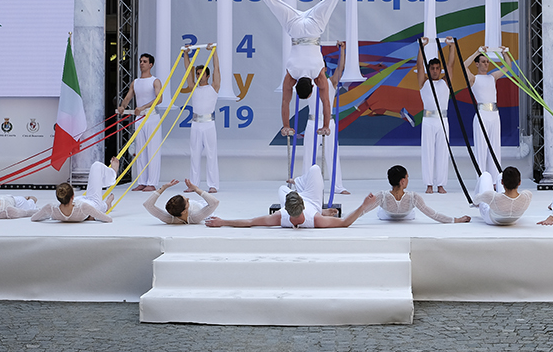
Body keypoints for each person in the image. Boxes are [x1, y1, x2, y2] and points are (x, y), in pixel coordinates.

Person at [221, 0, 377, 138]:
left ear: (312, 88)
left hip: (314, 28)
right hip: (294, 28)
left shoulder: (319, 77)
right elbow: (285, 103)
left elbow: (327, 104)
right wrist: (285, 126)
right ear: (296, 86)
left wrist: (326, 126)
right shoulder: (291, 77)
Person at [206, 162, 378, 229]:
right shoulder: (314, 220)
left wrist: (223, 221)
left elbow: (251, 222)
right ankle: (299, 184)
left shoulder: (281, 217)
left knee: (284, 187)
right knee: (313, 170)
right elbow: (344, 223)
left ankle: (298, 182)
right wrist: (363, 206)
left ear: (285, 209)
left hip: (306, 198)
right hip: (313, 201)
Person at [299, 41, 348, 194]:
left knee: (332, 155)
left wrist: (342, 50)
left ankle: (337, 186)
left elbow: (341, 69)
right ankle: (306, 185)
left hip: (329, 123)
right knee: (308, 155)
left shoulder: (330, 82)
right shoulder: (308, 83)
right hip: (312, 122)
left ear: (325, 68)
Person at [116, 53, 162, 191]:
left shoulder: (155, 81)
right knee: (140, 151)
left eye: (145, 61)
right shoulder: (135, 82)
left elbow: (159, 99)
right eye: (140, 61)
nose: (141, 63)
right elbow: (127, 97)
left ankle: (152, 183)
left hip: (152, 117)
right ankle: (141, 181)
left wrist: (143, 107)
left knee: (152, 150)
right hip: (139, 119)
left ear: (150, 65)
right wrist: (122, 106)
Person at [417, 36, 456, 194]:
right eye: (432, 68)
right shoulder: (424, 82)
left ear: (440, 69)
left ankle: (441, 184)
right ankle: (428, 185)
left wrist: (451, 47)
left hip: (443, 120)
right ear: (429, 70)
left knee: (442, 152)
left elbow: (451, 65)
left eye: (437, 68)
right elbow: (419, 65)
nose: (434, 71)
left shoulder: (445, 82)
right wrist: (422, 46)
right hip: (428, 120)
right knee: (427, 153)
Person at [366, 164, 470, 223]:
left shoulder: (381, 196)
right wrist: (456, 220)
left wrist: (364, 205)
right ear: (403, 181)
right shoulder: (413, 197)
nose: (408, 180)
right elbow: (433, 214)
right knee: (411, 209)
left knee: (381, 208)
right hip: (406, 216)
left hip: (386, 216)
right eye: (407, 177)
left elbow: (361, 211)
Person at [466, 45, 507, 183]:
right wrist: (477, 52)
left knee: (495, 148)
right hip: (482, 114)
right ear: (477, 64)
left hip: (495, 114)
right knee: (481, 149)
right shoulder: (474, 79)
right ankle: (482, 181)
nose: (486, 64)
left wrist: (504, 52)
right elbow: (464, 65)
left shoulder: (492, 77)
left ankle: (495, 181)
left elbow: (507, 67)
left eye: (487, 61)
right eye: (483, 61)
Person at [182, 44, 220, 193]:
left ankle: (213, 185)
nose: (199, 75)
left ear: (207, 75)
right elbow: (187, 71)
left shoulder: (214, 87)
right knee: (195, 155)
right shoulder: (193, 88)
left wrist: (214, 52)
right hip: (196, 124)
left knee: (211, 154)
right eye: (197, 73)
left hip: (209, 124)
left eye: (202, 73)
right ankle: (193, 184)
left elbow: (217, 69)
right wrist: (186, 53)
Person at [31, 158, 116, 223]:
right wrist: (90, 217)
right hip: (90, 204)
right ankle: (108, 200)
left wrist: (50, 216)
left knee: (96, 167)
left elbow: (34, 218)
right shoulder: (84, 207)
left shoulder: (51, 208)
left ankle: (106, 192)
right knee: (97, 165)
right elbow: (108, 219)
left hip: (79, 202)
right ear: (72, 196)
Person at [144, 179, 220, 225]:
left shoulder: (169, 219)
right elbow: (215, 202)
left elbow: (148, 205)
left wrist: (163, 188)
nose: (188, 198)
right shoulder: (195, 218)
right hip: (200, 207)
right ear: (184, 211)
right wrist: (197, 190)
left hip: (199, 205)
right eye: (187, 201)